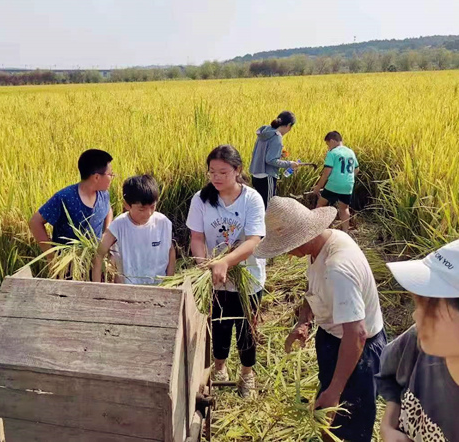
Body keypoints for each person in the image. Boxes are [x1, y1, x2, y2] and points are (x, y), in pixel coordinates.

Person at [255, 196, 385, 442]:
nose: (289, 254)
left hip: (358, 352)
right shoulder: (322, 246)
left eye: (287, 246)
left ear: (304, 237)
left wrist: (335, 391)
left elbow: (357, 335)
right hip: (334, 339)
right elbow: (313, 287)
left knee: (349, 428)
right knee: (327, 417)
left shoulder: (339, 267)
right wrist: (304, 321)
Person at [377, 238, 459, 442]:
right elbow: (389, 377)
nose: (416, 317)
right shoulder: (418, 341)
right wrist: (388, 425)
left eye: (432, 310)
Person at [186, 144, 266, 398]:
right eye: (212, 172)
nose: (216, 177)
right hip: (215, 277)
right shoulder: (201, 199)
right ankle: (219, 368)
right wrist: (205, 264)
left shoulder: (252, 198)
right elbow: (196, 237)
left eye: (223, 172)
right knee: (218, 325)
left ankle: (247, 374)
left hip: (248, 276)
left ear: (237, 170)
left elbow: (254, 241)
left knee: (245, 327)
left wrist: (226, 262)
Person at [92, 174, 175, 285]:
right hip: (129, 290)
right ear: (127, 205)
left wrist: (169, 282)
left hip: (159, 287)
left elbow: (171, 251)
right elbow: (99, 254)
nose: (148, 213)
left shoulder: (163, 223)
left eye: (152, 207)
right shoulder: (118, 226)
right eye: (142, 209)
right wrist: (97, 289)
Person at [29, 149, 114, 254]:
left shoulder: (104, 194)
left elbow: (108, 209)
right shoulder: (65, 197)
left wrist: (106, 232)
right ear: (96, 177)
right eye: (110, 174)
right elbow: (35, 222)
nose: (112, 177)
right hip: (68, 263)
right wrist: (50, 256)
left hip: (95, 261)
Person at [249, 110, 301, 208]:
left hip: (256, 174)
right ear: (288, 125)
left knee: (259, 207)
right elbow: (270, 160)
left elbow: (262, 154)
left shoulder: (265, 132)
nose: (289, 130)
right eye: (291, 127)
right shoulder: (277, 137)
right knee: (269, 208)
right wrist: (289, 164)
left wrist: (279, 155)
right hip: (266, 176)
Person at [312, 131, 359, 232]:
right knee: (344, 208)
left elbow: (326, 173)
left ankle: (317, 230)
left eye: (328, 144)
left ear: (332, 141)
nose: (328, 147)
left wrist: (317, 188)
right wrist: (347, 178)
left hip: (334, 184)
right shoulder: (350, 152)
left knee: (320, 205)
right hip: (348, 185)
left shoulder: (332, 153)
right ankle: (346, 232)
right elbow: (356, 169)